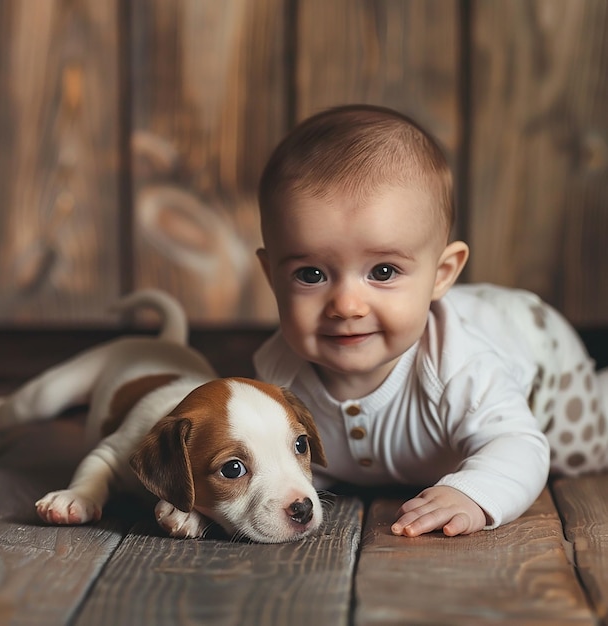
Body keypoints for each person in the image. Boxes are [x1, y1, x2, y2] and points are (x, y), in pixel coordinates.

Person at [253, 104, 608, 537]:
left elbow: (519, 445)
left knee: (580, 452)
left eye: (383, 272)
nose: (346, 305)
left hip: (543, 362)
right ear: (272, 276)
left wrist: (472, 491)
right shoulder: (275, 376)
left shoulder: (461, 367)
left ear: (442, 275)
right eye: (311, 275)